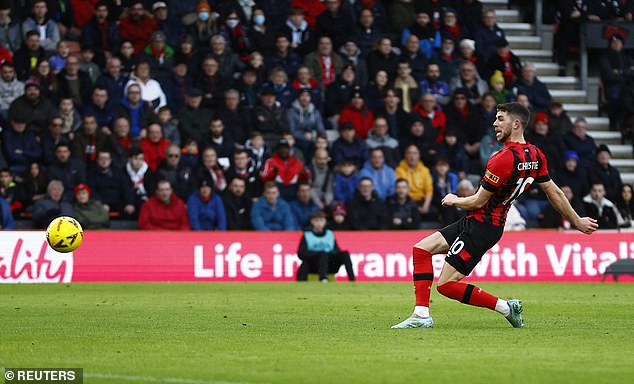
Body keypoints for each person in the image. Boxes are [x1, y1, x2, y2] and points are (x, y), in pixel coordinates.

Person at [391, 102, 597, 329]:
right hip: (481, 223)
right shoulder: (536, 154)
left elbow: (478, 200)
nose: (494, 123)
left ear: (516, 124)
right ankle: (421, 315)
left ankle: (506, 308)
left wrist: (454, 199)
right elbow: (554, 192)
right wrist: (576, 220)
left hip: (482, 226)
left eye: (500, 119)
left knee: (446, 285)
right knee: (421, 249)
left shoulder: (502, 159)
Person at [296, 210, 355, 282]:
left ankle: (352, 279)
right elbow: (301, 253)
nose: (319, 223)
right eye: (316, 221)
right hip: (314, 265)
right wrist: (318, 254)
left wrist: (327, 254)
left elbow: (337, 250)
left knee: (344, 254)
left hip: (330, 264)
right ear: (312, 222)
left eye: (321, 221)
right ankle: (323, 279)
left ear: (325, 222)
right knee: (321, 255)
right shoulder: (307, 235)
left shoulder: (329, 234)